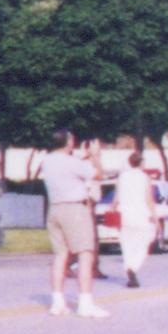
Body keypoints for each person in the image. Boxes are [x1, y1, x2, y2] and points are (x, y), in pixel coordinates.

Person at [38, 128, 105, 316]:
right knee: (85, 254)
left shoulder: (48, 161)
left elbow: (72, 168)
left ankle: (57, 302)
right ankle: (85, 303)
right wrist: (95, 156)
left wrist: (83, 158)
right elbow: (99, 174)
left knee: (61, 255)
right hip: (75, 208)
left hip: (55, 208)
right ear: (68, 142)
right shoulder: (71, 162)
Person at [109, 139, 155, 293]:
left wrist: (113, 208)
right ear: (140, 163)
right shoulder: (144, 177)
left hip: (125, 214)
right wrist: (154, 215)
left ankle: (129, 267)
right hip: (141, 214)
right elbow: (148, 199)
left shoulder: (122, 177)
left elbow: (116, 198)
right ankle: (133, 267)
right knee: (144, 242)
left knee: (126, 243)